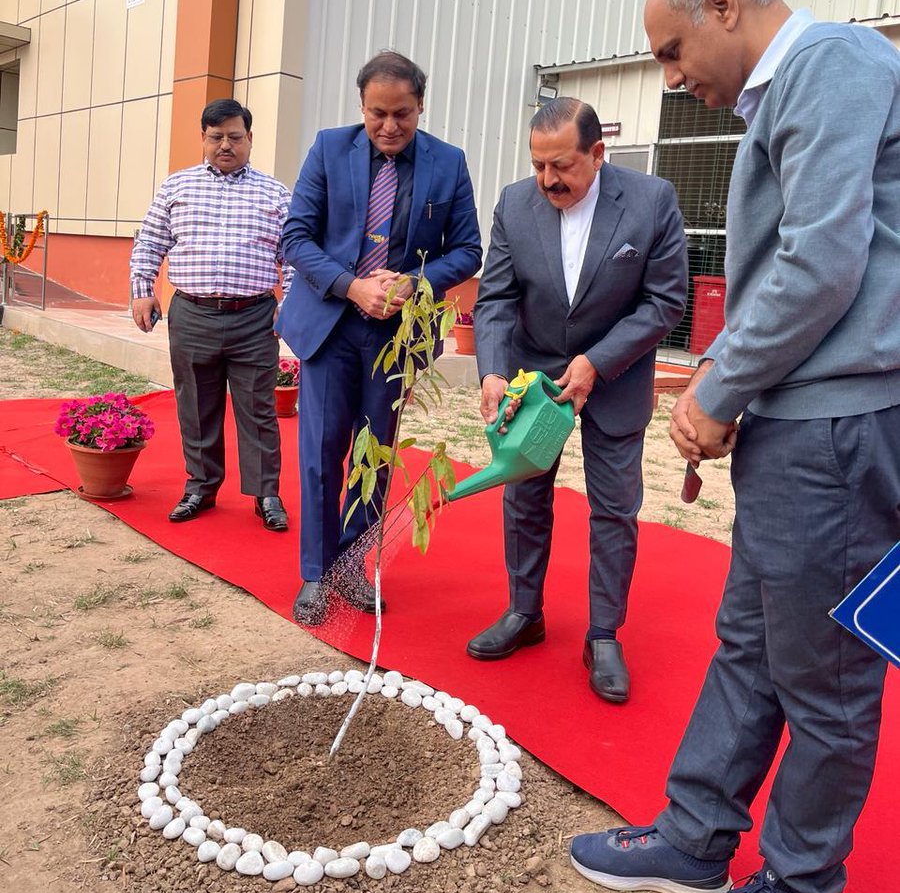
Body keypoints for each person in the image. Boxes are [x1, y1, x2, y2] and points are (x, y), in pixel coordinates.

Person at [570, 0, 900, 893]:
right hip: (802, 418)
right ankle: (698, 833)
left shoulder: (832, 64)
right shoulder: (796, 89)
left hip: (841, 424)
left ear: (724, 5)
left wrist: (719, 385)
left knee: (830, 677)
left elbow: (821, 261)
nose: (673, 77)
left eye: (672, 52)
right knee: (752, 645)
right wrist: (731, 388)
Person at [467, 97, 688, 702]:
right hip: (532, 381)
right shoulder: (516, 203)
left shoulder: (651, 200)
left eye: (561, 166)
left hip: (613, 378)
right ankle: (524, 612)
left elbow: (666, 301)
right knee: (524, 500)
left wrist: (598, 362)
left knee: (614, 510)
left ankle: (603, 635)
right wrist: (492, 371)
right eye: (538, 166)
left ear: (597, 153)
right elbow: (494, 299)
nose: (547, 181)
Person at [277, 50, 482, 625]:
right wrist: (351, 287)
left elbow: (468, 250)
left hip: (397, 338)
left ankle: (352, 566)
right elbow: (296, 237)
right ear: (361, 107)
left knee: (376, 457)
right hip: (331, 326)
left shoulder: (448, 163)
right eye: (377, 113)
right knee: (321, 455)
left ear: (421, 107)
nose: (389, 126)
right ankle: (316, 574)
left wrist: (414, 282)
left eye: (403, 114)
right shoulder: (327, 148)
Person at [131, 98, 292, 531]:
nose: (226, 145)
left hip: (255, 317)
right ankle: (201, 486)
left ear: (250, 139)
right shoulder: (176, 188)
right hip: (193, 313)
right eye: (216, 137)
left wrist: (289, 305)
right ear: (203, 139)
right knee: (196, 405)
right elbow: (149, 243)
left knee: (258, 408)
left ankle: (266, 493)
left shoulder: (275, 193)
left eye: (235, 137)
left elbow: (293, 257)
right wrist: (142, 291)